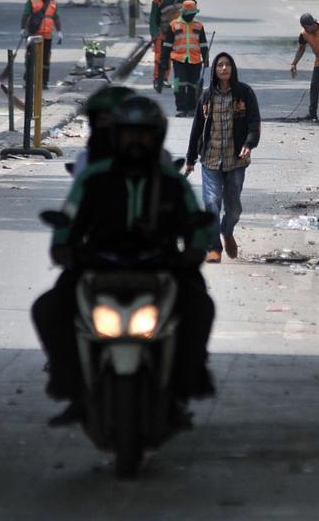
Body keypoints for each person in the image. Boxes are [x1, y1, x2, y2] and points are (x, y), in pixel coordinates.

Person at [33, 96, 215, 426]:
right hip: (99, 265)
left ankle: (188, 381)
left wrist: (194, 249)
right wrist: (62, 247)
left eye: (143, 135)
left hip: (160, 267)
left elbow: (194, 220)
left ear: (156, 137)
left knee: (200, 305)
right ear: (116, 136)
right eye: (129, 134)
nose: (135, 142)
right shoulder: (93, 179)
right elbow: (69, 218)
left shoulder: (172, 182)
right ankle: (70, 384)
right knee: (48, 308)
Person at [185, 53, 261, 263]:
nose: (224, 68)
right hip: (210, 159)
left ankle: (227, 231)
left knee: (234, 207)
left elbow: (254, 122)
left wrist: (249, 144)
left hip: (236, 161)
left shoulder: (244, 93)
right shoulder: (207, 97)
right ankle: (214, 247)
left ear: (233, 68)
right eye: (220, 65)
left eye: (227, 65)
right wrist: (191, 159)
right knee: (211, 203)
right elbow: (197, 129)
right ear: (215, 70)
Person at [160, 0, 209, 117]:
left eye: (193, 14)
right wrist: (164, 60)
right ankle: (181, 108)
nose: (192, 16)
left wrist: (206, 58)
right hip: (179, 59)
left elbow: (203, 44)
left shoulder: (198, 25)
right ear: (184, 13)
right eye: (190, 14)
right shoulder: (174, 25)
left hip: (195, 60)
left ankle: (192, 108)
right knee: (179, 84)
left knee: (193, 86)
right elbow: (167, 45)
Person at [21, 0, 61, 88]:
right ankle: (28, 81)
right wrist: (23, 29)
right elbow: (26, 14)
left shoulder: (53, 1)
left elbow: (56, 17)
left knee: (45, 60)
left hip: (47, 35)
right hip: (33, 34)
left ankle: (43, 82)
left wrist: (59, 32)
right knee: (31, 58)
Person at [150, 0, 182, 92]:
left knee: (170, 57)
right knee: (159, 57)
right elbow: (153, 19)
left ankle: (165, 78)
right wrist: (154, 33)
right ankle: (157, 78)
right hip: (161, 33)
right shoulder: (157, 2)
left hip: (174, 34)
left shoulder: (177, 1)